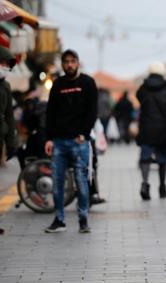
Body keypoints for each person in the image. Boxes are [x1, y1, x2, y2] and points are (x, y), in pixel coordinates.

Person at [44, 49, 98, 233]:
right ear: (62, 64)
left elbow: (92, 111)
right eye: (66, 61)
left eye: (72, 61)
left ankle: (83, 220)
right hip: (59, 142)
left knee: (81, 182)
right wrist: (49, 138)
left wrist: (84, 133)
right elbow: (50, 113)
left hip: (79, 142)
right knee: (57, 184)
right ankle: (59, 219)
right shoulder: (58, 85)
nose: (69, 65)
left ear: (78, 63)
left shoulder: (88, 83)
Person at [136, 61, 166, 200]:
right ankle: (162, 187)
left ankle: (145, 184)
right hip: (164, 128)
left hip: (146, 128)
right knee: (162, 158)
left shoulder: (143, 87)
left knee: (145, 158)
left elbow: (139, 99)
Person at [0, 45, 17, 235]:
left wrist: (11, 143)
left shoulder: (6, 86)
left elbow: (9, 116)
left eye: (7, 64)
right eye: (2, 62)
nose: (5, 67)